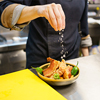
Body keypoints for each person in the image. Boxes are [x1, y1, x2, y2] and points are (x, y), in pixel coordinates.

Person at [0, 0, 92, 68]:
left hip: (72, 58)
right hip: (40, 59)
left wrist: (86, 62)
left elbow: (84, 31)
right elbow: (4, 7)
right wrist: (36, 10)